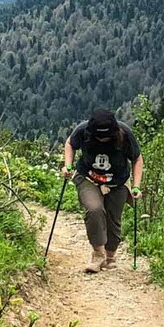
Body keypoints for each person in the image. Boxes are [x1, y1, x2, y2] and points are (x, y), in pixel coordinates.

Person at [63, 110, 143, 273]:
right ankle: (98, 254)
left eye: (106, 137)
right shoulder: (83, 130)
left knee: (113, 219)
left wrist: (136, 185)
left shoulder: (124, 133)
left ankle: (110, 257)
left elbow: (137, 158)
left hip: (117, 182)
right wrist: (68, 165)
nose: (102, 139)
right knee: (94, 209)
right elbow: (70, 144)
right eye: (99, 137)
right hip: (88, 177)